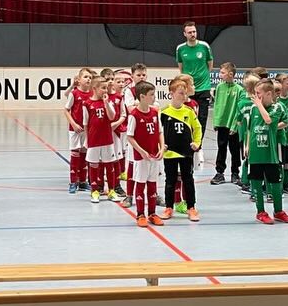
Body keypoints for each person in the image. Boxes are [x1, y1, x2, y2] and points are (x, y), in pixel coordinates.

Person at [246, 79, 288, 225]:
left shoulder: (276, 108)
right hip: (255, 153)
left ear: (268, 94)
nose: (256, 96)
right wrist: (247, 146)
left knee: (275, 182)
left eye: (258, 93)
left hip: (270, 152)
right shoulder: (253, 109)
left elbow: (268, 120)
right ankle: (260, 212)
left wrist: (259, 105)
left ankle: (278, 211)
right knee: (256, 182)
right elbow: (250, 128)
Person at [159, 75, 201, 221]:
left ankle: (191, 207)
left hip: (186, 153)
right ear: (171, 93)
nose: (184, 96)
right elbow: (158, 131)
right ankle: (168, 207)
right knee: (170, 181)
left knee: (188, 179)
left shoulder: (189, 111)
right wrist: (160, 145)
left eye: (185, 93)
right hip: (169, 153)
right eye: (180, 93)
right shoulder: (163, 112)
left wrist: (196, 143)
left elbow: (197, 128)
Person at [126, 81, 165, 227]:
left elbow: (160, 132)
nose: (154, 97)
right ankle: (140, 214)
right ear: (142, 97)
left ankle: (152, 213)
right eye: (151, 94)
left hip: (154, 155)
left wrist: (161, 148)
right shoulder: (134, 115)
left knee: (153, 185)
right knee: (141, 185)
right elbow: (130, 136)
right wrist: (141, 151)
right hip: (141, 157)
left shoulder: (154, 112)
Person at [175, 22, 214, 153]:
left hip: (203, 88)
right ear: (184, 34)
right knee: (187, 116)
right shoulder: (180, 49)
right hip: (188, 90)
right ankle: (187, 144)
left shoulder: (204, 46)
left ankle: (198, 145)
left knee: (202, 118)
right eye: (190, 32)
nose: (193, 34)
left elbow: (209, 65)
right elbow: (181, 68)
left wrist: (202, 78)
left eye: (194, 31)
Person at [83, 75, 119, 204]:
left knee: (109, 164)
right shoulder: (87, 104)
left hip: (107, 139)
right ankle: (95, 190)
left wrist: (106, 103)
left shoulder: (108, 102)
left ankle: (111, 190)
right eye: (103, 88)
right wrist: (87, 139)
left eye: (106, 88)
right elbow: (85, 123)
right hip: (94, 140)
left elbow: (112, 117)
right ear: (94, 88)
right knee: (94, 165)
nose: (105, 90)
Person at [209, 62, 241, 186]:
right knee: (221, 148)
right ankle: (219, 172)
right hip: (222, 124)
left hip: (232, 125)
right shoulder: (219, 87)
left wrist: (235, 125)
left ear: (231, 74)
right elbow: (217, 105)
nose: (220, 75)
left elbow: (239, 110)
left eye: (222, 72)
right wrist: (216, 121)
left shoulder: (239, 90)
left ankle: (235, 172)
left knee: (235, 149)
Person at [274, 73, 288, 194]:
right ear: (280, 85)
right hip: (277, 138)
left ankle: (286, 184)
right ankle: (276, 183)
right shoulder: (275, 101)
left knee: (287, 161)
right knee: (277, 161)